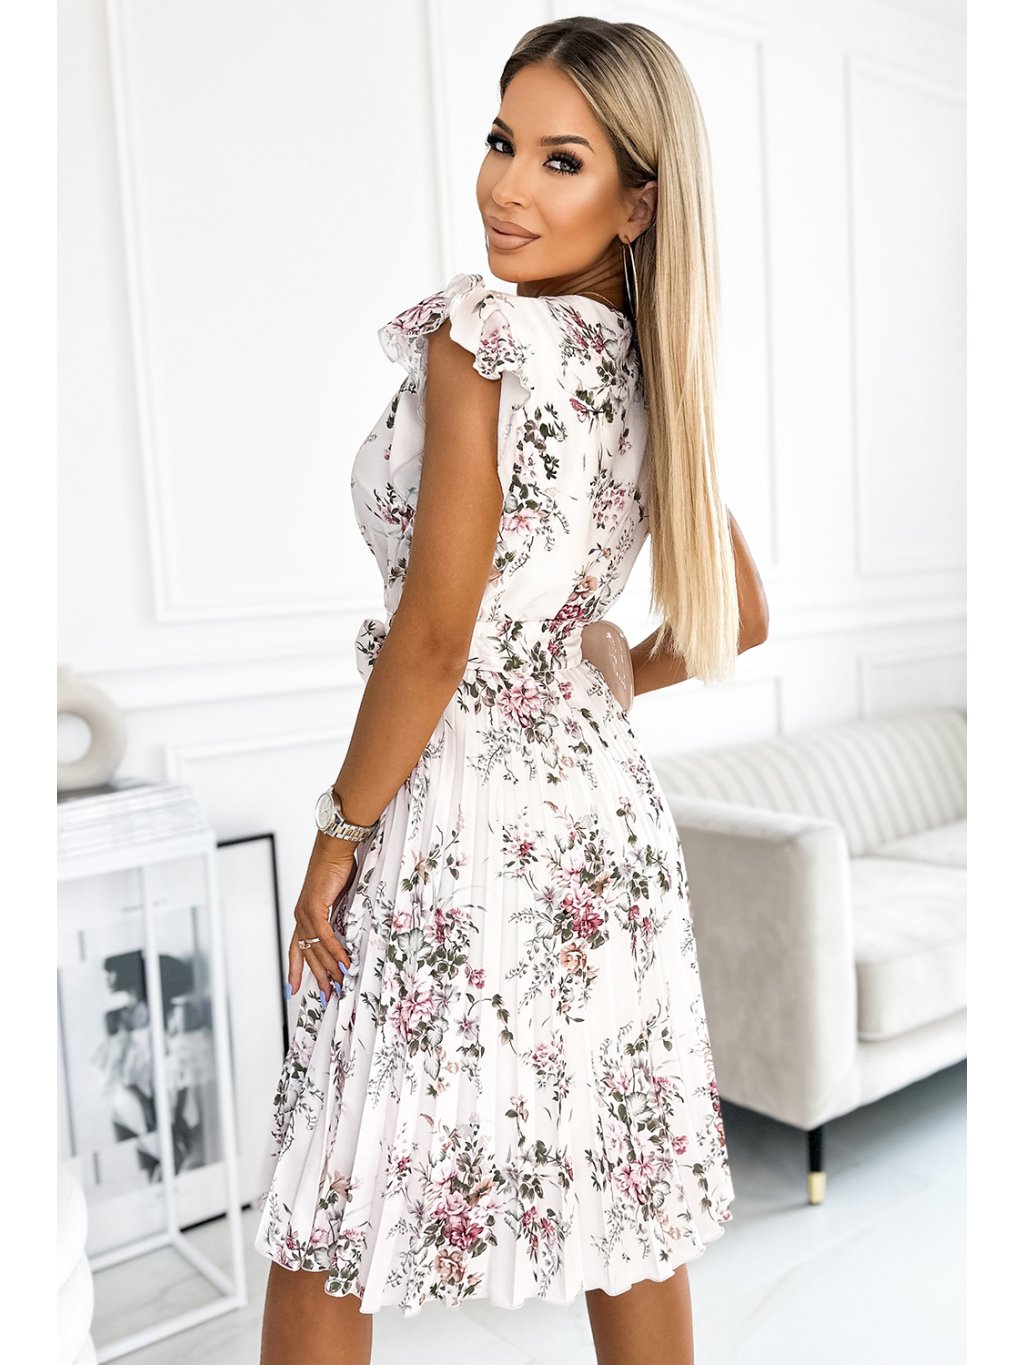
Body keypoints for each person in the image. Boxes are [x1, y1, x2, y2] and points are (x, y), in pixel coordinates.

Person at [256, 16, 769, 1365]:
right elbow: (742, 615)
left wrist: (338, 833)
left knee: (334, 1188)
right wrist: (600, 664)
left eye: (561, 160)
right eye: (502, 142)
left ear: (636, 202)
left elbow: (434, 639)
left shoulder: (478, 340)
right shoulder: (653, 370)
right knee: (619, 1184)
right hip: (601, 823)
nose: (506, 187)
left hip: (452, 810)